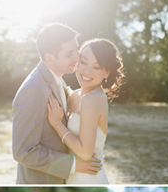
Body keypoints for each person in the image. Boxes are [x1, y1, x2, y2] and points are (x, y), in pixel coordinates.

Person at [13, 23, 102, 184]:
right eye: (69, 54)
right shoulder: (33, 90)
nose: (77, 57)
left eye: (76, 49)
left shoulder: (56, 79)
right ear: (50, 58)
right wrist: (74, 164)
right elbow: (23, 152)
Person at [46, 38, 124, 184]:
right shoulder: (75, 95)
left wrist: (57, 124)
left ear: (107, 72)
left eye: (96, 67)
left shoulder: (93, 98)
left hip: (87, 176)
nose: (86, 71)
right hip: (73, 172)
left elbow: (85, 153)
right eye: (83, 62)